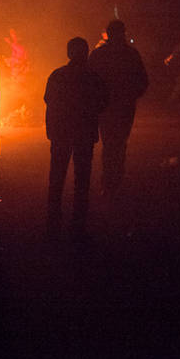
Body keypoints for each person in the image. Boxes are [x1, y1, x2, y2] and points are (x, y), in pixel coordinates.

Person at [44, 37, 108, 241]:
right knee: (82, 180)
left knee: (57, 178)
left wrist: (52, 128)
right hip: (84, 133)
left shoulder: (58, 75)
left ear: (68, 53)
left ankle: (53, 223)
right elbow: (103, 101)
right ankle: (77, 226)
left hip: (62, 133)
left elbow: (49, 100)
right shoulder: (93, 77)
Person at [88, 20, 148, 203]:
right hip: (123, 107)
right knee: (120, 143)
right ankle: (116, 181)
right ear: (122, 33)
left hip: (105, 107)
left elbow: (89, 80)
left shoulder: (99, 55)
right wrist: (130, 96)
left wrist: (95, 101)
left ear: (108, 34)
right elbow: (143, 81)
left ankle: (109, 183)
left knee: (109, 144)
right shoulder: (130, 54)